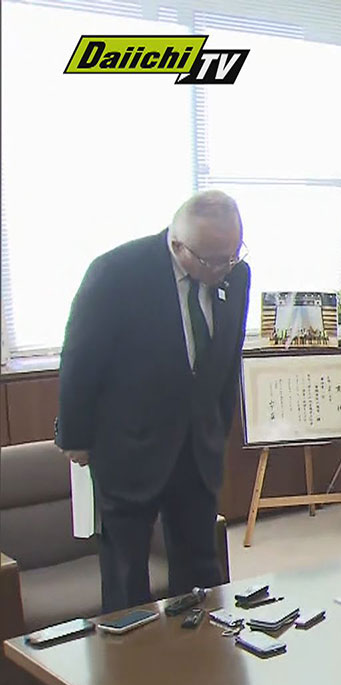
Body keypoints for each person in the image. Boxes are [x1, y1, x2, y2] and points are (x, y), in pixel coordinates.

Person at [56, 190, 251, 613]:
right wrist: (75, 437)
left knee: (201, 567)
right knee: (127, 571)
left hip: (197, 446)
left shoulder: (236, 274)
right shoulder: (116, 272)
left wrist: (220, 427)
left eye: (231, 257)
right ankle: (129, 652)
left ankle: (201, 646)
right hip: (129, 444)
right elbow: (80, 357)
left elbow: (226, 356)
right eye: (211, 261)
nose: (222, 270)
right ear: (178, 245)